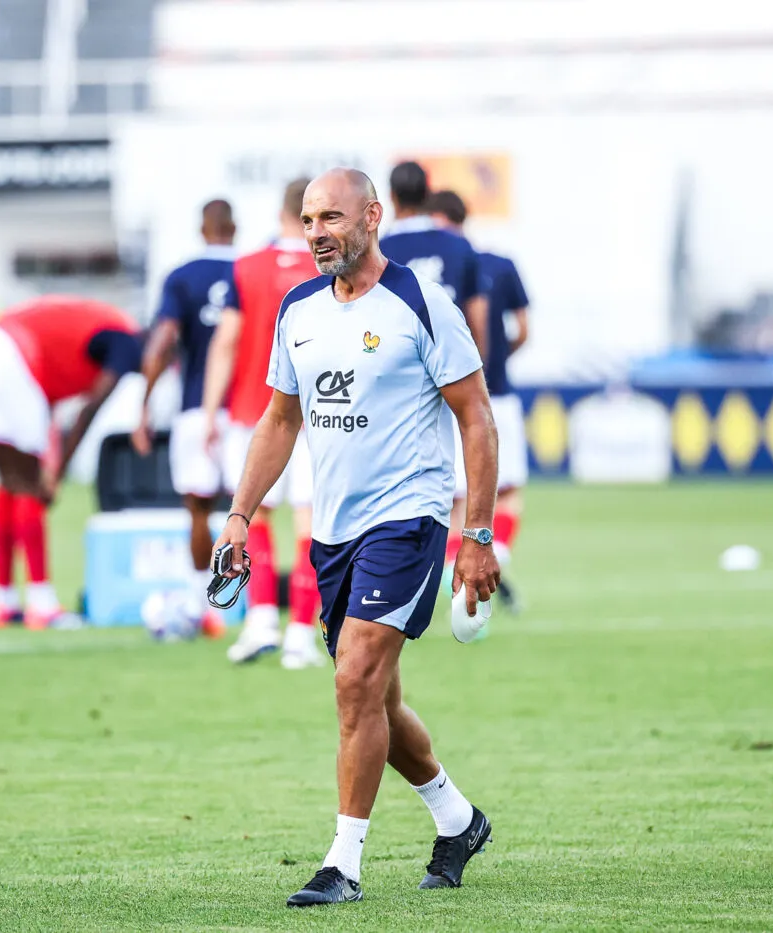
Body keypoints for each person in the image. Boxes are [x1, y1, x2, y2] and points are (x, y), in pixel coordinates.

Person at [214, 168, 499, 906]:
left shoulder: (420, 304)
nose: (316, 234)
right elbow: (281, 420)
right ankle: (458, 818)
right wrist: (241, 513)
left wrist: (476, 532)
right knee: (375, 697)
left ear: (372, 216)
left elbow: (476, 416)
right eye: (309, 221)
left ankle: (342, 863)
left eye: (331, 218)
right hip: (334, 531)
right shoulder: (298, 308)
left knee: (353, 681)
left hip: (408, 520)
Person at [0, 296, 141, 629]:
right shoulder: (126, 340)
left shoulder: (95, 327)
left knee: (9, 480)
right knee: (28, 482)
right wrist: (57, 473)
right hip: (7, 355)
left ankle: (2, 600)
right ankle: (41, 602)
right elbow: (89, 411)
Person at [202, 178, 323, 670]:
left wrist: (210, 410)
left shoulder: (246, 267)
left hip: (255, 415)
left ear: (280, 211)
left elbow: (227, 341)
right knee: (311, 525)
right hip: (318, 418)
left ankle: (259, 622)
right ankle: (300, 634)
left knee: (253, 520)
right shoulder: (326, 267)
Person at [132, 199, 237, 635]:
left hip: (196, 409)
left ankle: (205, 603)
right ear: (234, 228)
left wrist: (144, 405)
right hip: (252, 410)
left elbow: (162, 343)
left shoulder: (181, 277)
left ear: (202, 229)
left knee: (198, 509)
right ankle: (260, 606)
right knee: (257, 513)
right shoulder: (250, 270)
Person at [427, 190, 530, 605]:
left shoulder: (422, 266)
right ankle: (493, 557)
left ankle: (459, 574)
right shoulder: (497, 264)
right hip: (496, 393)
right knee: (508, 492)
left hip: (444, 395)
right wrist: (493, 362)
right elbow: (522, 329)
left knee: (457, 499)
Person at [380, 161, 489, 357]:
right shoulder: (459, 245)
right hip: (452, 369)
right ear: (427, 194)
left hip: (399, 371)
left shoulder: (378, 250)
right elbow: (478, 318)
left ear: (392, 196)